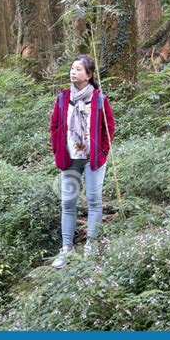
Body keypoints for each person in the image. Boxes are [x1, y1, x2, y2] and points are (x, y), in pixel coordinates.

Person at [49, 54, 115, 268]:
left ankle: (90, 247)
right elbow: (55, 126)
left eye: (78, 69)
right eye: (72, 68)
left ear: (88, 75)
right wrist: (58, 149)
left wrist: (102, 151)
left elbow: (109, 127)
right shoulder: (63, 98)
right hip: (70, 159)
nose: (73, 72)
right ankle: (67, 249)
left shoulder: (99, 99)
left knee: (94, 200)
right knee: (68, 202)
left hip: (92, 159)